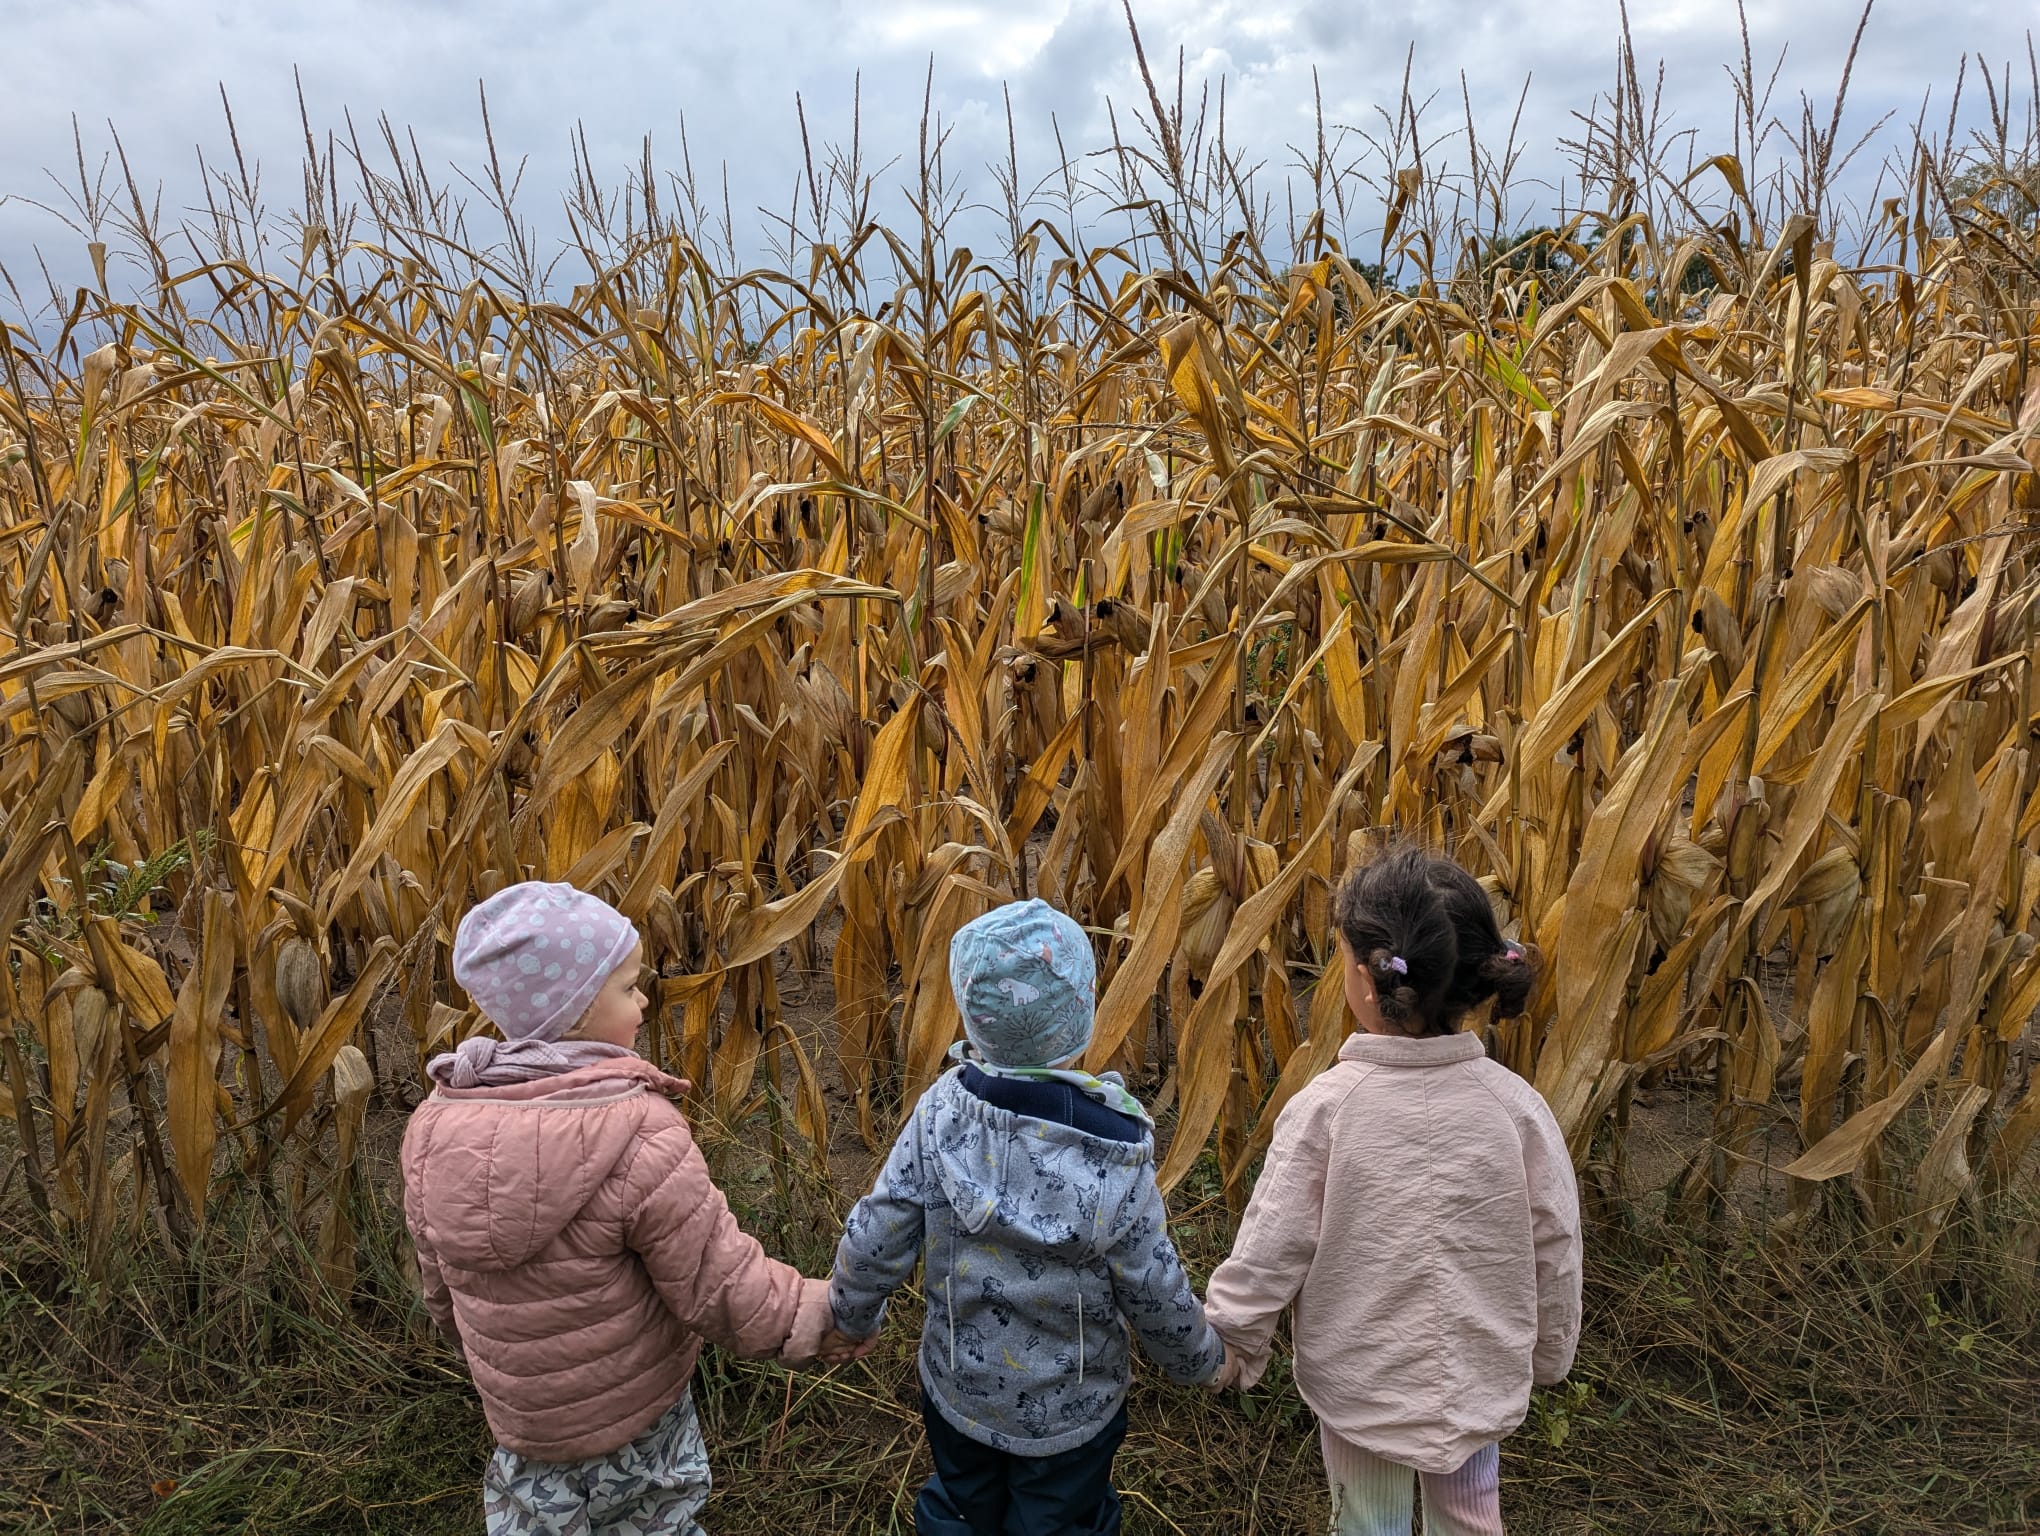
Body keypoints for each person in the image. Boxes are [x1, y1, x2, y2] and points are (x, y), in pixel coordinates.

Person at [400, 880, 850, 1535]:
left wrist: (489, 1356)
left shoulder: (434, 1127)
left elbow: (438, 1283)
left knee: (535, 1518)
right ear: (577, 1010)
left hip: (522, 1416)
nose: (644, 999)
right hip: (638, 1411)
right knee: (653, 1515)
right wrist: (815, 1314)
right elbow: (716, 1282)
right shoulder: (637, 1131)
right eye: (628, 985)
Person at [1203, 847, 1582, 1536]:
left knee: (1367, 1524)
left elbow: (1273, 1242)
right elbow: (1553, 1240)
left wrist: (1233, 1339)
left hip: (1362, 1386)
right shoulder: (1519, 1111)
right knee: (1471, 1517)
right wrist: (1550, 1351)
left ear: (1365, 979)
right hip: (1474, 1376)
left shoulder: (1328, 1109)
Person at [827, 898, 1225, 1535]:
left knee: (960, 1505)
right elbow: (1155, 1286)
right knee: (1062, 1522)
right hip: (1072, 1416)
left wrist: (849, 1315)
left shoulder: (940, 1114)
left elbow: (880, 1229)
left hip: (959, 1391)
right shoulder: (1116, 1153)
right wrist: (1202, 1360)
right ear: (1084, 1012)